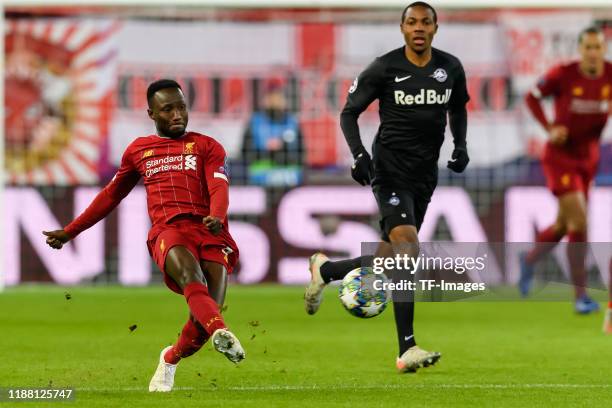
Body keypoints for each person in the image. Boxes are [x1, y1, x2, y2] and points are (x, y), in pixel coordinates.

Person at [42, 79, 245, 392]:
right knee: (193, 279)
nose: (177, 114)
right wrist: (70, 232)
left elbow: (219, 185)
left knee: (201, 323)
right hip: (169, 231)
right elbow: (110, 196)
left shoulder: (207, 146)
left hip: (209, 230)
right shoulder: (139, 150)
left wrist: (217, 216)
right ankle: (221, 331)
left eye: (181, 107)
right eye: (168, 109)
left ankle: (171, 357)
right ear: (152, 113)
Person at [304, 1, 470, 373]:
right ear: (402, 28)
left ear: (435, 28)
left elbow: (457, 108)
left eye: (426, 22)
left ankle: (327, 271)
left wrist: (460, 145)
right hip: (389, 169)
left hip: (425, 174)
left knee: (391, 259)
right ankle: (406, 348)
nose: (419, 28)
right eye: (412, 22)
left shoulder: (451, 68)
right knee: (408, 248)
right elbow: (349, 112)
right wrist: (359, 155)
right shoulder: (385, 67)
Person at [521, 26, 611, 315]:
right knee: (580, 222)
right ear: (581, 49)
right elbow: (532, 97)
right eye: (588, 47)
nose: (593, 53)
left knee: (563, 225)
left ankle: (530, 259)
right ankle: (581, 296)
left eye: (598, 47)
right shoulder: (564, 73)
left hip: (589, 160)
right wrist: (549, 128)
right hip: (560, 158)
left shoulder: (610, 75)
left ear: (604, 49)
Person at [241, 78, 304, 186]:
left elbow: (301, 154)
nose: (275, 100)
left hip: (289, 176)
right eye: (271, 96)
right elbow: (245, 153)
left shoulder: (292, 123)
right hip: (260, 177)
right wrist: (266, 151)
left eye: (278, 96)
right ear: (264, 99)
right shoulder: (255, 123)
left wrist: (282, 147)